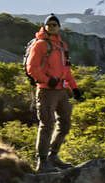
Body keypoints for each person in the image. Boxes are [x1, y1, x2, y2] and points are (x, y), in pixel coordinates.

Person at [24, 14, 79, 172]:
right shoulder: (40, 44)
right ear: (45, 26)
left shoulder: (62, 45)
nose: (52, 27)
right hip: (46, 91)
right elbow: (31, 68)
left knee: (65, 123)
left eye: (55, 24)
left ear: (59, 27)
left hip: (62, 91)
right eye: (49, 24)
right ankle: (42, 162)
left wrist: (75, 88)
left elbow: (67, 71)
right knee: (47, 125)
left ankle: (53, 156)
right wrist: (48, 81)